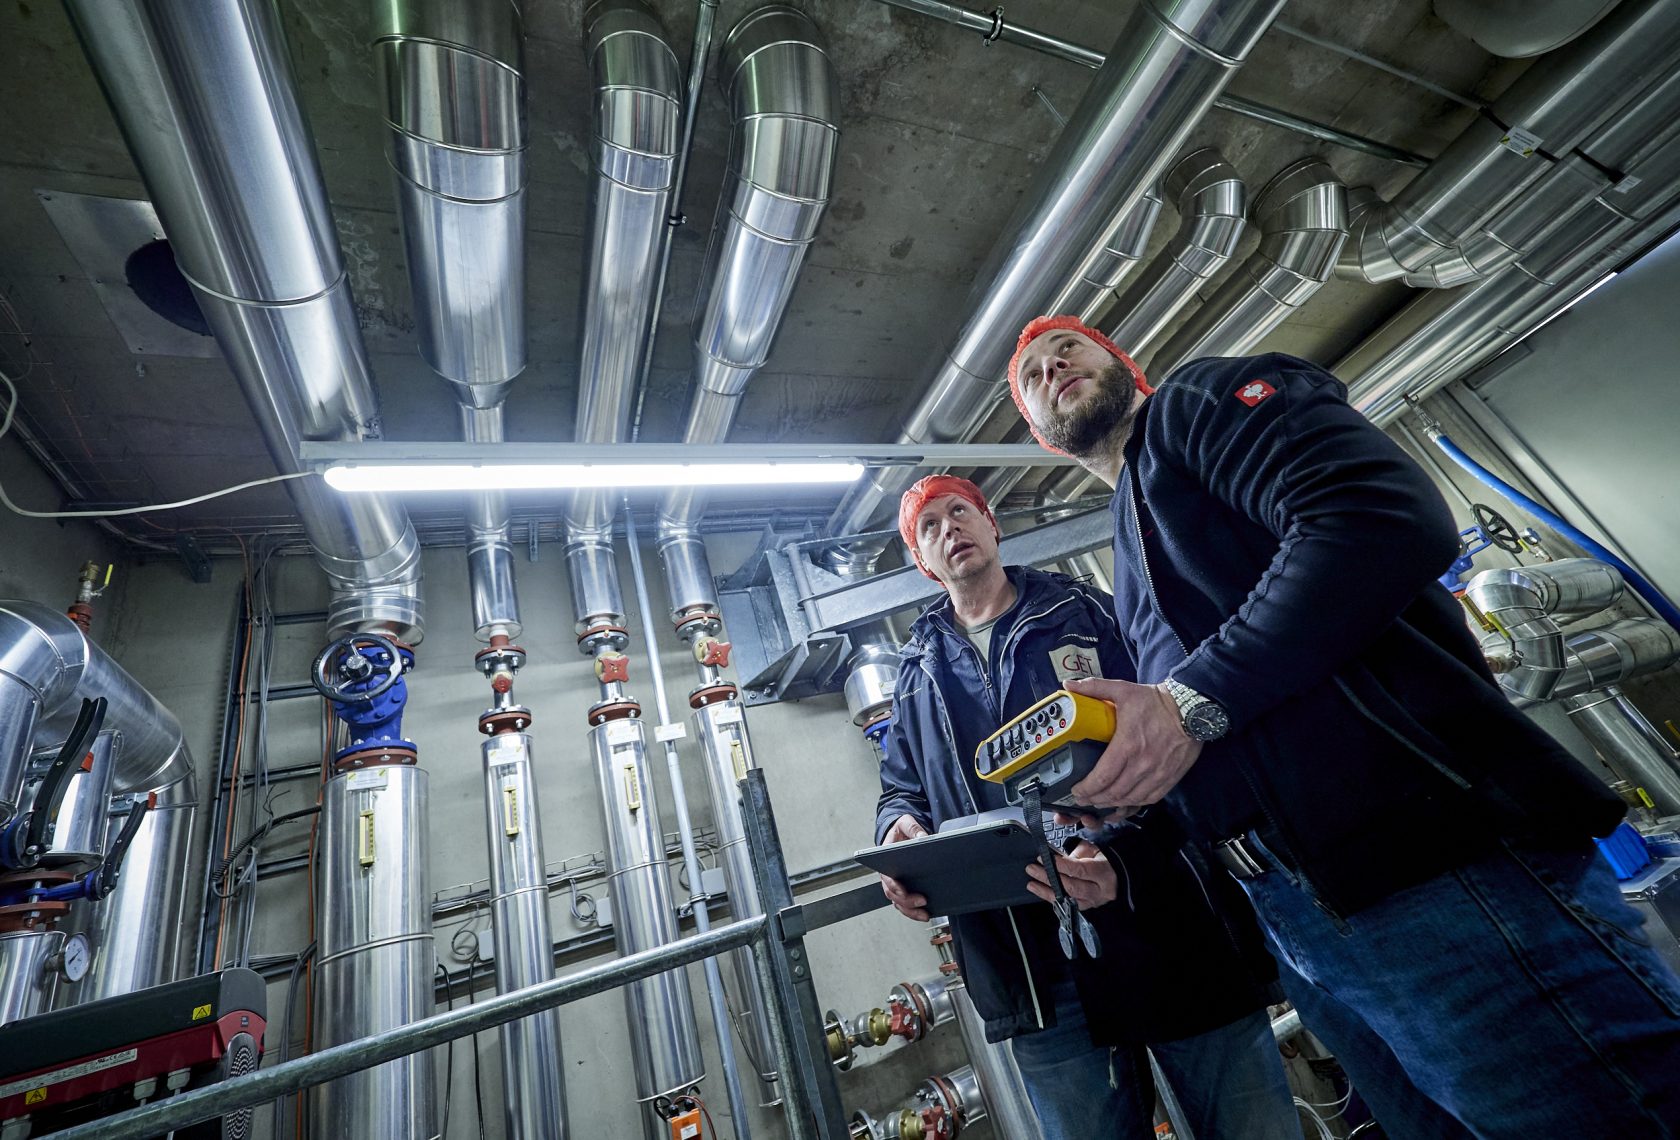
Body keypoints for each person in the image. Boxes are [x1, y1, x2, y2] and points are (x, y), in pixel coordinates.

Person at [1005, 313, 1680, 1137]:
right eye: (1030, 375)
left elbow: (1375, 513)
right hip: (1307, 920)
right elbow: (1230, 737)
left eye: (1067, 347)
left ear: (1125, 363)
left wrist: (1187, 704)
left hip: (1432, 873)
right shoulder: (1131, 535)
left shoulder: (1194, 404)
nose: (1051, 367)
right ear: (1042, 439)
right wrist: (1126, 815)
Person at [873, 473, 1302, 1140]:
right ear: (923, 563)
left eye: (960, 512)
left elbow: (1184, 734)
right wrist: (897, 830)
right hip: (1030, 969)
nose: (947, 528)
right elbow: (901, 789)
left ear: (992, 525)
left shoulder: (1091, 613)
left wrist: (1127, 858)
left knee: (1251, 1128)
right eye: (928, 528)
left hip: (1159, 920)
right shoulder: (916, 673)